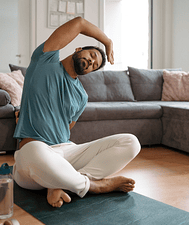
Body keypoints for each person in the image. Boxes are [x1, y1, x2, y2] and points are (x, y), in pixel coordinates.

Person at [13, 17, 141, 208]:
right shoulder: (45, 61)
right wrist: (107, 42)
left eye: (95, 65)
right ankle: (95, 186)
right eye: (91, 55)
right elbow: (80, 23)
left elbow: (68, 126)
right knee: (33, 151)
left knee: (131, 142)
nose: (91, 62)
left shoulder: (82, 96)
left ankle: (62, 182)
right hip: (35, 152)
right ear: (78, 49)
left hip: (66, 151)